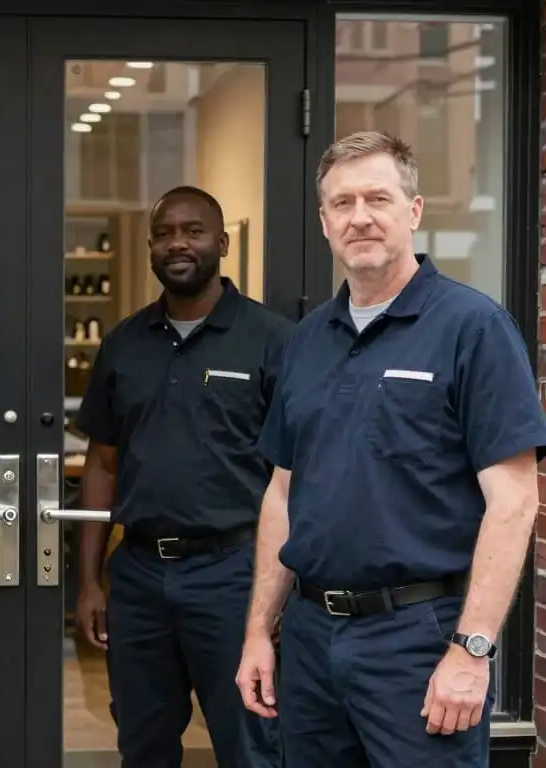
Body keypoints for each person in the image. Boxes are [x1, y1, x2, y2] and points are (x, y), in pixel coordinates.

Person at [236, 130, 546, 768]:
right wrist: (259, 631)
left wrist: (472, 650)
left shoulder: (473, 328)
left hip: (419, 639)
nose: (360, 217)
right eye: (342, 203)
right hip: (312, 639)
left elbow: (514, 500)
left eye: (378, 198)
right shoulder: (306, 341)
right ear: (325, 222)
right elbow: (283, 492)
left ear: (414, 210)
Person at [73, 185, 290, 767]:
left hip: (234, 573)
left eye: (193, 231)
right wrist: (89, 581)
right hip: (140, 576)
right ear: (150, 246)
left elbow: (297, 474)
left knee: (250, 743)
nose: (178, 243)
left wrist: (282, 589)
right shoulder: (123, 344)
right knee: (142, 745)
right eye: (165, 233)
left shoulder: (272, 341)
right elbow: (102, 463)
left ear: (221, 243)